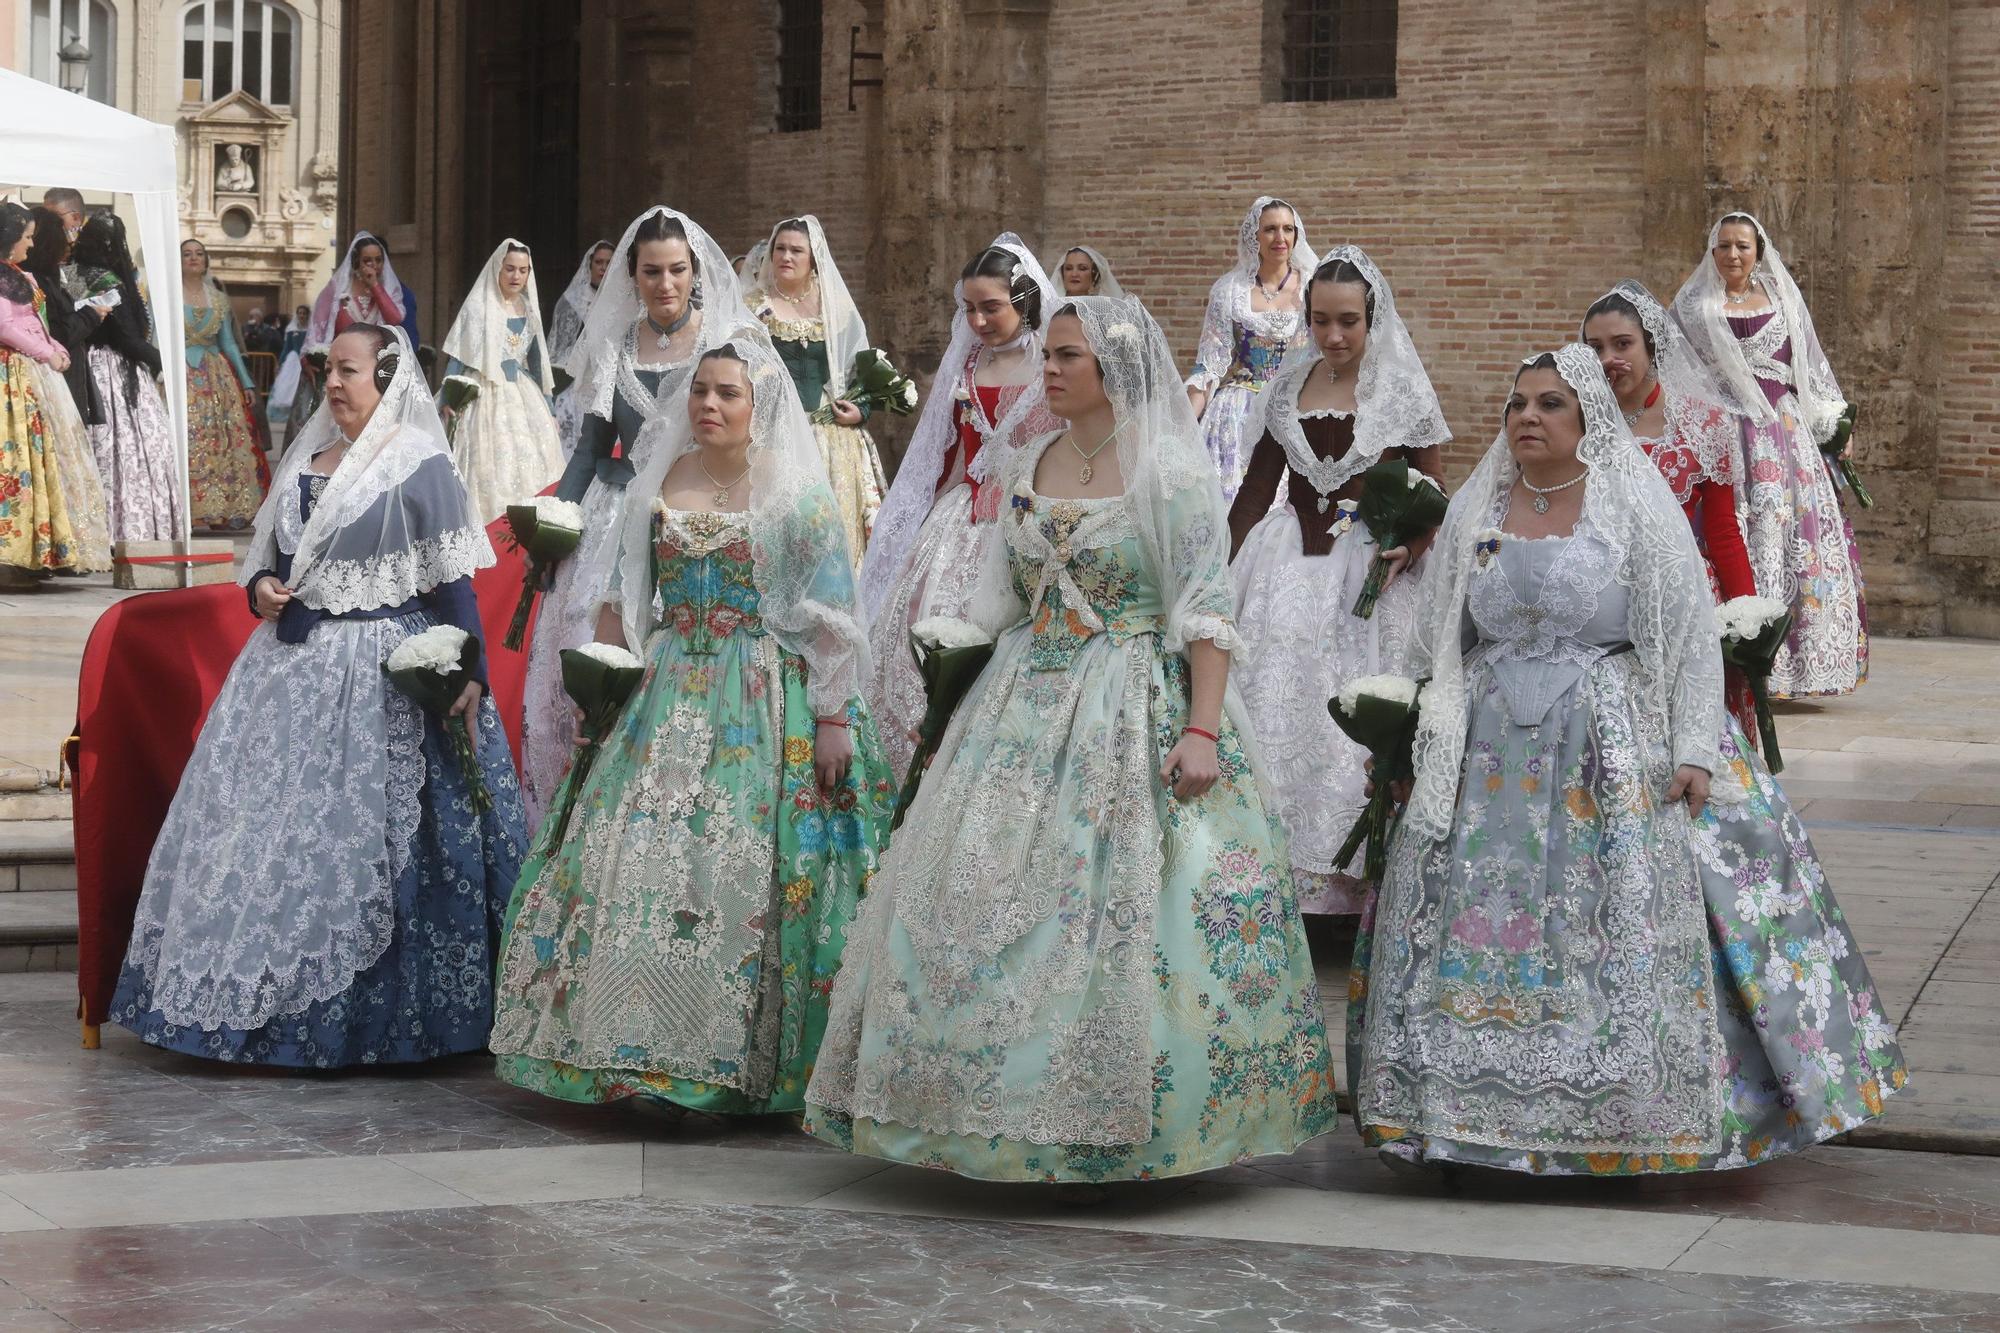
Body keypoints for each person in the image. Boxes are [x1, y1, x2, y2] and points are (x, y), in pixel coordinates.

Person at [807, 295, 1336, 1182]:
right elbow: (999, 600)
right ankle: (966, 1105)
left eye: (1066, 358)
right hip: (1020, 698)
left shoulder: (1167, 469)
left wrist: (1202, 728)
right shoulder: (1031, 458)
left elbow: (1205, 605)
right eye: (1047, 356)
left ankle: (1118, 1116)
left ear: (1114, 370)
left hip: (1131, 698)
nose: (1047, 372)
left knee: (1122, 905)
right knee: (978, 890)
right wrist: (950, 704)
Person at [1346, 344, 1905, 1176]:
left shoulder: (1631, 505)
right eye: (1518, 404)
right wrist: (1421, 736)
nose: (1528, 418)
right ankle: (1463, 1117)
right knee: (1479, 935)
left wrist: (1691, 749)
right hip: (1490, 756)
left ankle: (1616, 1116)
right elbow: (1441, 642)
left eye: (1550, 405)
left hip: (1605, 744)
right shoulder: (1478, 508)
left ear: (1586, 421)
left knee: (1601, 935)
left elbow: (1683, 634)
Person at [491, 334, 896, 1111]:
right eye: (701, 391)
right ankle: (634, 1045)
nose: (709, 405)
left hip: (762, 697)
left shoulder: (792, 493)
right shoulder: (663, 478)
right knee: (637, 860)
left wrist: (834, 714)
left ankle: (734, 1055)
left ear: (760, 405)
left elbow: (831, 616)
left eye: (727, 393)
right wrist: (601, 690)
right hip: (666, 686)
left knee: (738, 866)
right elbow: (620, 594)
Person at [109, 323, 526, 1068]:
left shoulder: (418, 465)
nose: (333, 382)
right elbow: (266, 562)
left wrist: (468, 673)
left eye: (349, 370)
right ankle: (231, 997)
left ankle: (372, 1022)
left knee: (368, 838)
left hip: (380, 678)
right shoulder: (306, 455)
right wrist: (262, 588)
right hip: (283, 677)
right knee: (257, 836)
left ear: (387, 377)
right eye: (327, 369)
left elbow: (452, 580)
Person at [1227, 247, 1448, 915]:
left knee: (1354, 715)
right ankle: (1274, 878)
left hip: (1369, 580)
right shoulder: (1287, 386)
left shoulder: (1402, 390)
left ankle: (1357, 891)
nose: (1333, 336)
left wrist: (1410, 546)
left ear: (1371, 318)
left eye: (1347, 321)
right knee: (1275, 707)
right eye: (1320, 320)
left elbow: (1434, 489)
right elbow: (1257, 487)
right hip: (1284, 569)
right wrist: (1213, 573)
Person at [519, 207, 750, 829]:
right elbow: (592, 453)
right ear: (632, 275)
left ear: (694, 271)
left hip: (690, 520)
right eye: (652, 272)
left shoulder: (724, 344)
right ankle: (585, 814)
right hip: (614, 517)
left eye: (677, 270)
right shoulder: (614, 348)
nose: (666, 284)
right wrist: (555, 525)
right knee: (591, 663)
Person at [858, 236, 1059, 780]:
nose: (977, 320)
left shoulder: (1051, 362)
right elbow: (949, 453)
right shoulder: (967, 364)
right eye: (969, 309)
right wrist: (921, 522)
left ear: (1024, 300)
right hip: (964, 519)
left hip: (1031, 519)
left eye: (990, 307)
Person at [1672, 211, 1866, 698]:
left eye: (1742, 246)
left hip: (1781, 437)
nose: (1732, 255)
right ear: (1711, 252)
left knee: (1788, 535)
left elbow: (1809, 364)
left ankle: (1796, 664)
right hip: (1722, 438)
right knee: (1733, 532)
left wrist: (1832, 419)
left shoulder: (1782, 300)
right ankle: (1736, 659)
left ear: (1759, 251)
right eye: (1723, 246)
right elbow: (1673, 368)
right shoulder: (1693, 306)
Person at [1583, 280, 1758, 740]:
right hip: (1596, 596)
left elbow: (1722, 531)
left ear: (1652, 344)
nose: (1608, 359)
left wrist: (1748, 617)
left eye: (1622, 344)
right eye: (1595, 347)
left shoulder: (1703, 422)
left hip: (1683, 597)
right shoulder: (1574, 420)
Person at [747, 215, 886, 574]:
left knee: (832, 531)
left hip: (830, 435)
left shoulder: (835, 309)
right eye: (780, 249)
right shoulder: (752, 308)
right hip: (773, 433)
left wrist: (862, 410)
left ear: (813, 258)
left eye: (796, 250)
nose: (786, 257)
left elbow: (862, 374)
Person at [1185, 197, 1315, 499]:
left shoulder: (1314, 286)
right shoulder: (1229, 290)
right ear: (1254, 235)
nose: (1280, 238)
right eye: (1270, 229)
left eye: (1288, 229)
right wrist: (1183, 426)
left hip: (1296, 406)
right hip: (1237, 413)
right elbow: (1209, 366)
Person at [437, 239, 565, 524]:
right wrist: (449, 397)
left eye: (523, 270)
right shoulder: (480, 308)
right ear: (498, 269)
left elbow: (536, 362)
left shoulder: (529, 310)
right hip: (483, 393)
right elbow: (459, 358)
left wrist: (549, 407)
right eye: (510, 269)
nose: (516, 276)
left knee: (532, 462)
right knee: (486, 466)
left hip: (522, 394)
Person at [72, 214, 181, 543]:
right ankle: (126, 529)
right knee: (129, 451)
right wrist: (161, 361)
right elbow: (124, 338)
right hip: (114, 371)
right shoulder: (108, 280)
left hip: (84, 365)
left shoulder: (70, 272)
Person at [0, 203, 85, 579]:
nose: (31, 244)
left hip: (28, 376)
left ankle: (34, 550)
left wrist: (56, 347)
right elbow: (5, 327)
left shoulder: (21, 276)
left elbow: (36, 322)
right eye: (27, 237)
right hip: (9, 373)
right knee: (12, 460)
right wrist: (46, 354)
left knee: (33, 460)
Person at [294, 232, 421, 448]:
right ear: (356, 262)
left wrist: (375, 288)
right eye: (367, 260)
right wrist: (309, 359)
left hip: (373, 375)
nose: (373, 265)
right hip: (341, 372)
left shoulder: (389, 290)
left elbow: (396, 319)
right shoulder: (337, 291)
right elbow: (317, 328)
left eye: (378, 260)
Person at [180, 239, 267, 530]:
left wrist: (246, 383)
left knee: (220, 441)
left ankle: (219, 508)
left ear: (206, 260)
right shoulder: (166, 294)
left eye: (198, 254)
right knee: (188, 439)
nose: (193, 258)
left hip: (216, 376)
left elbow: (228, 342)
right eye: (187, 254)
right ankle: (189, 510)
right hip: (180, 376)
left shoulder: (217, 298)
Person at [547, 240, 612, 455]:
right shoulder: (572, 301)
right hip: (578, 382)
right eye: (599, 262)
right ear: (589, 266)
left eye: (609, 262)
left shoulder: (623, 299)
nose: (603, 267)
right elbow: (560, 349)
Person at [1047, 244, 1125, 298]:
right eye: (1068, 268)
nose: (1074, 274)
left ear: (1093, 274)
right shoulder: (1051, 309)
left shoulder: (1102, 310)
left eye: (1082, 268)